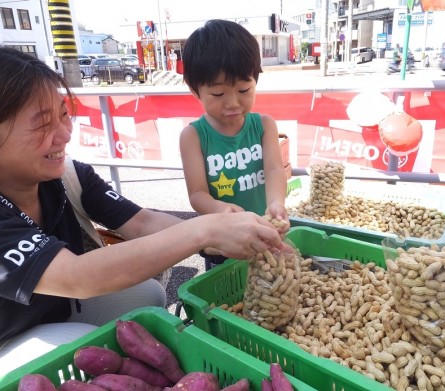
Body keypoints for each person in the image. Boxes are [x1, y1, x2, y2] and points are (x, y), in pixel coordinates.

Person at [0, 47, 283, 375]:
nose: (64, 135)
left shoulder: (68, 175)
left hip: (57, 306)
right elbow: (75, 277)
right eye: (42, 125)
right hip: (10, 336)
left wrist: (217, 237)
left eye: (64, 115)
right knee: (84, 348)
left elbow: (141, 221)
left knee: (147, 294)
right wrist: (204, 230)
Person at [179, 20, 290, 270]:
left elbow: (274, 169)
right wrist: (219, 208)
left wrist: (276, 203)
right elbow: (197, 194)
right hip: (222, 242)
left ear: (255, 81)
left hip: (266, 233)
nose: (232, 103)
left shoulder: (264, 125)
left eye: (243, 89)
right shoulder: (193, 136)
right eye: (218, 94)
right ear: (195, 90)